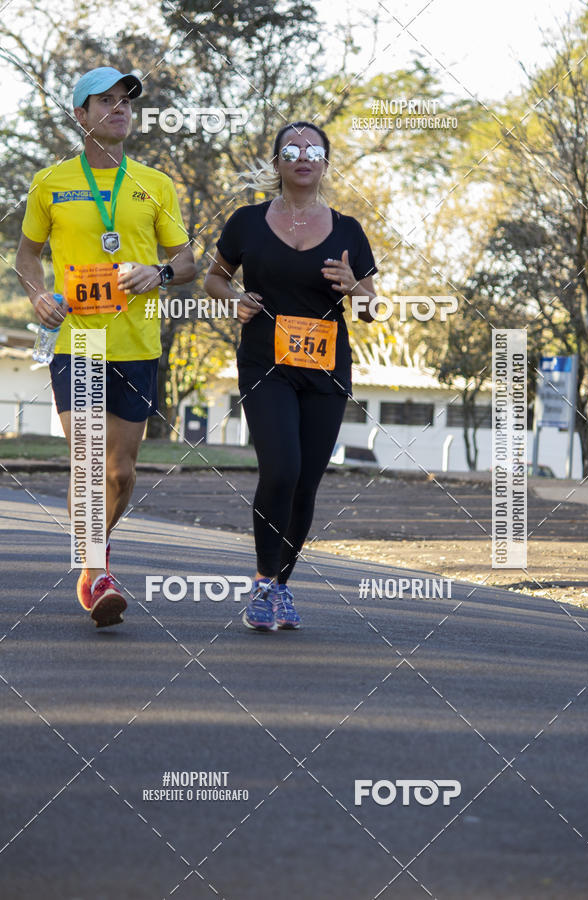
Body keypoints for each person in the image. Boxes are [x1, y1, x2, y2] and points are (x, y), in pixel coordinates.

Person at [16, 66, 196, 627]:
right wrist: (37, 297)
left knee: (120, 472)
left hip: (137, 343)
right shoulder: (51, 183)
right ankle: (95, 572)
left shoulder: (156, 184)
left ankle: (99, 554)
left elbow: (189, 262)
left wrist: (157, 273)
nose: (120, 108)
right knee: (89, 463)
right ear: (81, 115)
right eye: (106, 101)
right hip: (79, 340)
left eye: (126, 101)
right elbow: (25, 258)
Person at [204, 121, 377, 631]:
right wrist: (237, 298)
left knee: (305, 483)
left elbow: (370, 308)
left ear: (326, 163)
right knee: (280, 469)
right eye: (292, 149)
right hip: (266, 364)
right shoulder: (247, 222)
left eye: (314, 150)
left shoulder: (349, 230)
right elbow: (215, 277)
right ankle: (261, 583)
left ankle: (280, 586)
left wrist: (355, 290)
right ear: (277, 162)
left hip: (325, 370)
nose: (303, 157)